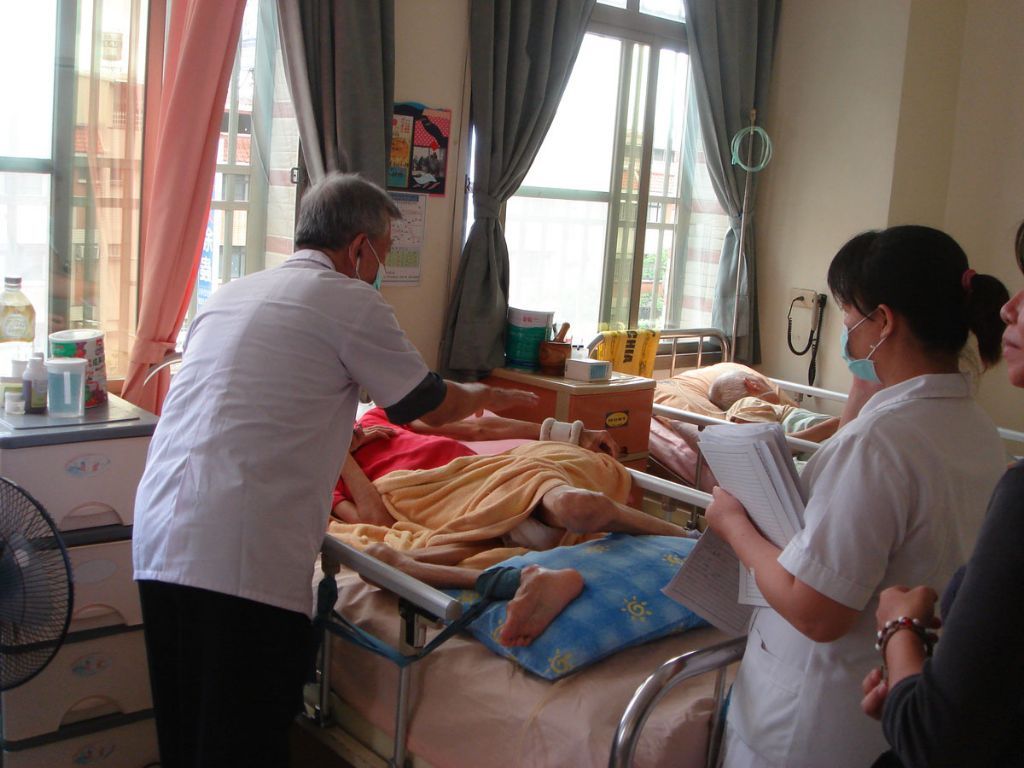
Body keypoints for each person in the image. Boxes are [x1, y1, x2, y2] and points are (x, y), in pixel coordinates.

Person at [131, 172, 536, 768]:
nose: (381, 268)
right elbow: (426, 404)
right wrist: (491, 395)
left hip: (160, 537)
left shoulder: (229, 295)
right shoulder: (349, 301)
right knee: (242, 744)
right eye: (384, 253)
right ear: (359, 247)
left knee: (186, 732)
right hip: (239, 557)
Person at [705, 225, 1010, 768]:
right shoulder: (976, 429)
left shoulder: (880, 444)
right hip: (885, 711)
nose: (847, 337)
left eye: (849, 321)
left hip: (810, 725)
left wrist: (734, 526)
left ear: (883, 323)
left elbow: (816, 612)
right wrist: (864, 399)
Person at [859, 222, 1024, 767]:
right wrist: (924, 679)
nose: (1010, 308)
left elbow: (934, 740)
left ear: (884, 321)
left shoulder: (1020, 494)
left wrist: (898, 630)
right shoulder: (978, 425)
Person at [332, 406, 621, 525]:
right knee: (569, 506)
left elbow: (477, 429)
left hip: (483, 471)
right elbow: (376, 522)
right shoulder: (326, 476)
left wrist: (571, 434)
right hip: (447, 498)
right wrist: (341, 454)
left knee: (583, 465)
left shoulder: (377, 417)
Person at [708, 369, 840, 444]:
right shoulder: (746, 403)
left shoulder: (771, 409)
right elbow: (768, 446)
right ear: (753, 384)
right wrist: (832, 425)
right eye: (762, 380)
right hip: (831, 442)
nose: (770, 385)